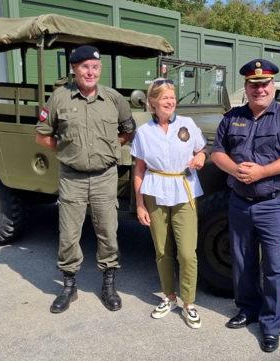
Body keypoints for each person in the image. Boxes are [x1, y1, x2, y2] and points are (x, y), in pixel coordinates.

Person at [211, 59, 280, 353]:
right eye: (253, 85)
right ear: (246, 87)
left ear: (272, 86)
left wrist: (262, 172)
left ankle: (271, 324)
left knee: (276, 267)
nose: (259, 89)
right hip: (240, 201)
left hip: (275, 203)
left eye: (264, 84)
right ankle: (247, 309)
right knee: (242, 262)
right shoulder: (231, 118)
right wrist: (233, 169)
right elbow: (217, 151)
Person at [35, 45, 136, 313]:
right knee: (68, 235)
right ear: (74, 69)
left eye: (95, 67)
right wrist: (68, 151)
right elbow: (42, 135)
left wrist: (112, 147)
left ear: (100, 69)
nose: (90, 72)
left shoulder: (114, 99)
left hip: (105, 177)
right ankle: (69, 286)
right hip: (72, 178)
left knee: (108, 233)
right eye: (84, 67)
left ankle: (108, 285)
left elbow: (128, 129)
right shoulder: (59, 99)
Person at [131, 78, 207, 329]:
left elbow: (202, 149)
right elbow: (139, 169)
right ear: (152, 102)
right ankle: (169, 297)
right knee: (162, 250)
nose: (171, 101)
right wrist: (140, 204)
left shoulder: (187, 124)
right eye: (165, 97)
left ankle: (189, 302)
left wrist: (200, 157)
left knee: (187, 252)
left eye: (172, 96)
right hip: (155, 192)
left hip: (184, 191)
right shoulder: (144, 132)